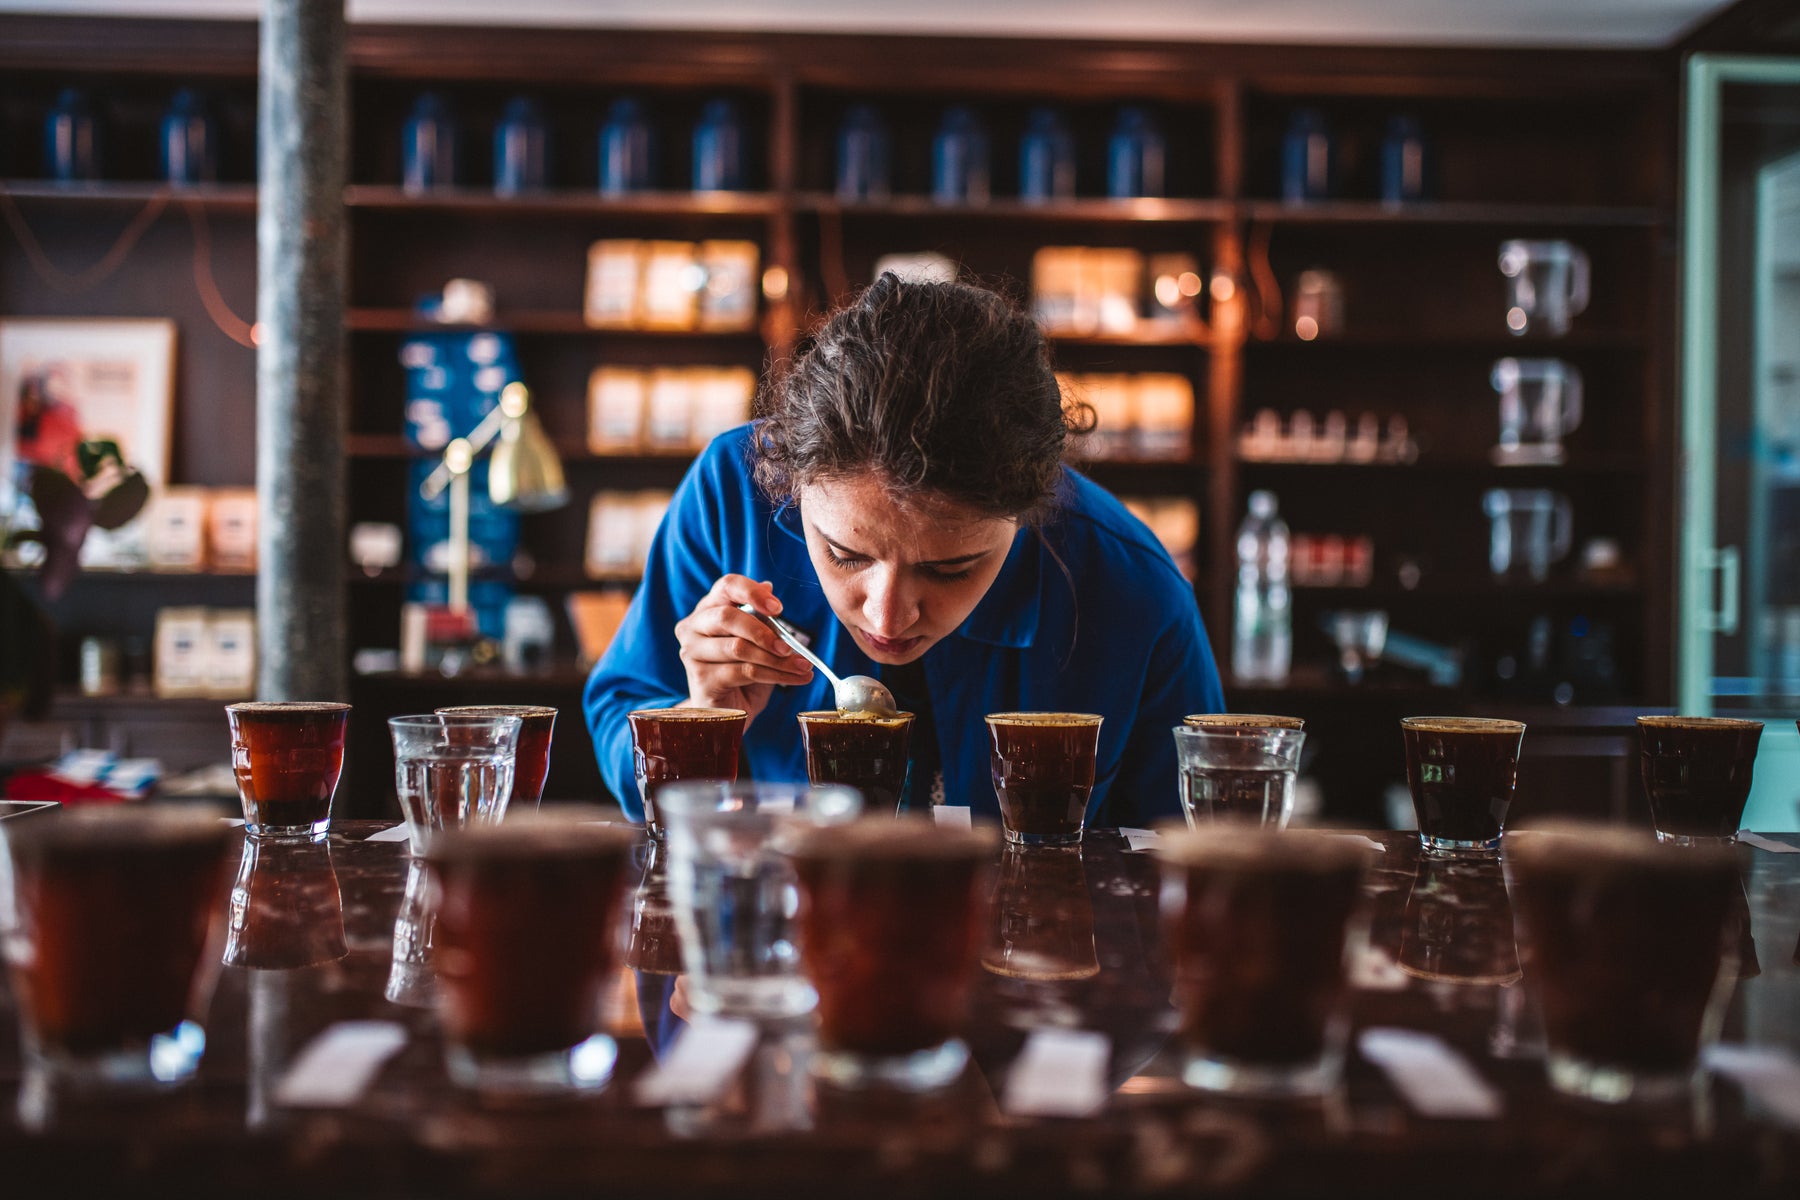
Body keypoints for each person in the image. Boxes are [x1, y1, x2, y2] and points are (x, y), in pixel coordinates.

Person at [583, 273, 1225, 829]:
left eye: (950, 568)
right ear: (792, 486)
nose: (886, 619)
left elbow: (1186, 851)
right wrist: (702, 720)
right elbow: (620, 722)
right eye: (845, 555)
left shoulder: (1131, 590)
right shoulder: (734, 493)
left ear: (1030, 513)